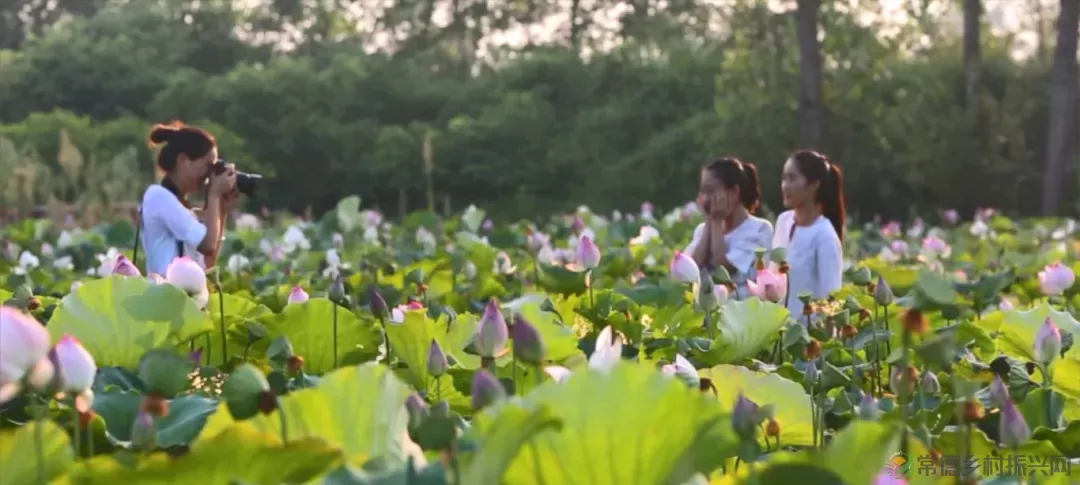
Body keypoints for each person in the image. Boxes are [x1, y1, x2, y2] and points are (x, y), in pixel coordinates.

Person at [140, 121, 238, 276]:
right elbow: (208, 245)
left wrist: (222, 211)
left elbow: (207, 262)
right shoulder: (158, 197)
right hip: (165, 296)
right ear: (183, 159)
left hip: (184, 296)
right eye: (208, 165)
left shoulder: (183, 209)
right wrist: (214, 195)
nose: (209, 175)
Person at [770, 149, 845, 317]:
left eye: (792, 179)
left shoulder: (824, 236)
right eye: (784, 178)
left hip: (807, 336)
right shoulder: (783, 221)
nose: (785, 186)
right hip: (775, 332)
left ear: (813, 185)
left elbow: (830, 302)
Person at [686, 157, 773, 298]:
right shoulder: (702, 231)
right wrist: (710, 221)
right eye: (703, 192)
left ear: (734, 192)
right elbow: (690, 270)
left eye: (711, 191)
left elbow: (723, 270)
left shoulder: (759, 229)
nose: (706, 198)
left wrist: (715, 221)